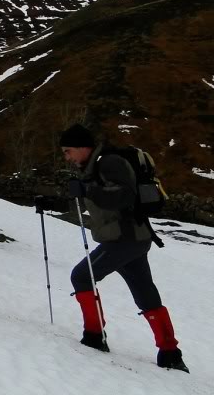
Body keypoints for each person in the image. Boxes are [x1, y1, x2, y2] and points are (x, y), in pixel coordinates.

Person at [60, 123, 188, 372]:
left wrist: (88, 189)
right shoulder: (94, 166)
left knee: (82, 276)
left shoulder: (108, 163)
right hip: (133, 239)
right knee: (145, 293)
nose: (66, 157)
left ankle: (94, 337)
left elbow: (123, 196)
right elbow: (99, 196)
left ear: (82, 148)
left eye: (68, 151)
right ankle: (170, 353)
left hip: (124, 239)